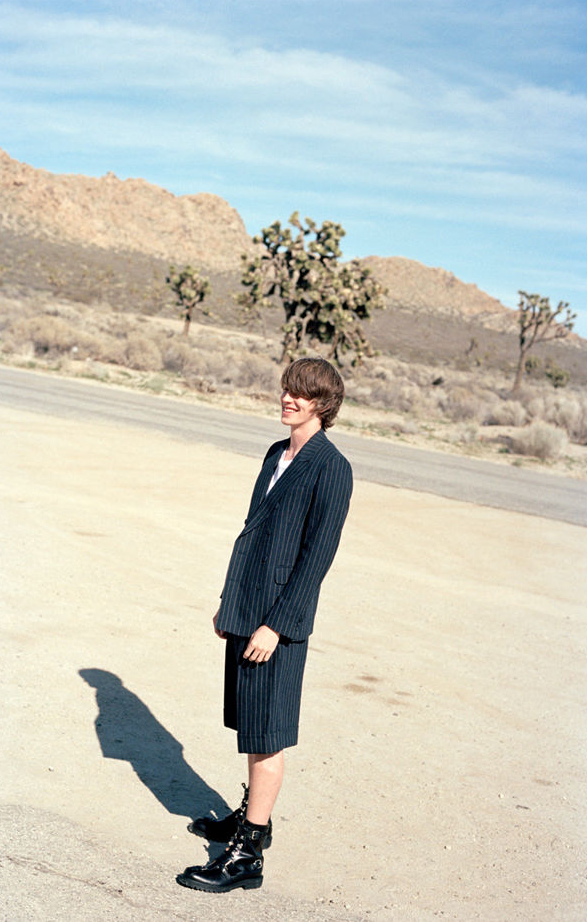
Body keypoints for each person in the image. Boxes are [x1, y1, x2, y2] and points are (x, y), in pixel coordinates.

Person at [176, 357, 353, 893]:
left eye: (301, 394)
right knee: (249, 722)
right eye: (287, 389)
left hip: (278, 622)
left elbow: (316, 557)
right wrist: (230, 602)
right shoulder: (278, 452)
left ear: (322, 405)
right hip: (247, 608)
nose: (288, 399)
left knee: (267, 735)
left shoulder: (332, 467)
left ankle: (247, 854)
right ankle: (254, 815)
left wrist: (276, 625)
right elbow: (253, 533)